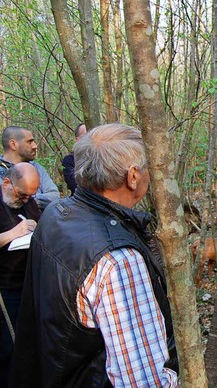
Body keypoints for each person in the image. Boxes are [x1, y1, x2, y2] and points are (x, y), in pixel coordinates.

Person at [11, 124, 178, 387]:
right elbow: (142, 379)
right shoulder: (119, 260)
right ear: (133, 176)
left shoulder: (55, 214)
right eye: (148, 169)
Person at [0, 163, 40, 387]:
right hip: (5, 291)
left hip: (29, 284)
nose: (26, 200)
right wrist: (12, 234)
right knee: (9, 348)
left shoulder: (29, 203)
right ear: (7, 184)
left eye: (30, 196)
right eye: (22, 195)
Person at [0, 126, 59, 210]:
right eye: (29, 142)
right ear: (13, 144)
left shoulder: (36, 168)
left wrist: (24, 198)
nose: (35, 146)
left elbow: (54, 196)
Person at [61, 123, 87, 195]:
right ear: (77, 139)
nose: (89, 139)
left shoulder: (102, 159)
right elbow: (74, 186)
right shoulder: (69, 161)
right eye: (86, 135)